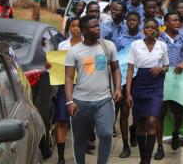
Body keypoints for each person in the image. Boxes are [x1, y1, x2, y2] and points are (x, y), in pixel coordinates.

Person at [64, 16, 122, 164]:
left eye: (98, 26)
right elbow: (69, 78)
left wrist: (117, 89)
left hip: (104, 100)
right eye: (94, 27)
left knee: (106, 134)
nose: (98, 29)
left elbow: (116, 69)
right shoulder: (74, 51)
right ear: (84, 30)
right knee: (79, 139)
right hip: (80, 102)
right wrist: (69, 101)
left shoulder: (108, 46)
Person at [126, 19, 169, 164]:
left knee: (152, 120)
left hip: (156, 85)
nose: (150, 30)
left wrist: (161, 68)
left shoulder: (162, 46)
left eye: (153, 28)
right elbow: (130, 69)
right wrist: (128, 93)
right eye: (147, 28)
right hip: (139, 84)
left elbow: (167, 66)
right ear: (143, 30)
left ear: (158, 30)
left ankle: (147, 160)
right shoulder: (135, 45)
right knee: (140, 124)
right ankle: (143, 156)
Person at [154, 12, 183, 160]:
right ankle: (159, 147)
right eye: (174, 20)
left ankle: (176, 132)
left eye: (179, 20)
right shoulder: (158, 39)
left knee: (178, 114)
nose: (178, 22)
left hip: (177, 81)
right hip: (160, 80)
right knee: (160, 114)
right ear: (166, 22)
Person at [113, 11, 144, 157]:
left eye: (135, 20)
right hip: (124, 79)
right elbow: (115, 61)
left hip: (140, 80)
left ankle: (134, 128)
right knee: (124, 112)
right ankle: (125, 145)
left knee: (138, 114)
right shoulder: (119, 40)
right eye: (130, 20)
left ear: (139, 21)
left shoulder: (144, 38)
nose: (132, 22)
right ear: (126, 21)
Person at [55, 17, 82, 164]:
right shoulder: (62, 45)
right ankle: (60, 157)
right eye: (73, 26)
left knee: (80, 123)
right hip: (64, 87)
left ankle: (79, 155)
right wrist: (50, 66)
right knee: (62, 121)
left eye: (78, 26)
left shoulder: (88, 44)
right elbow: (58, 64)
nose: (76, 29)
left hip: (83, 87)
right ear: (69, 27)